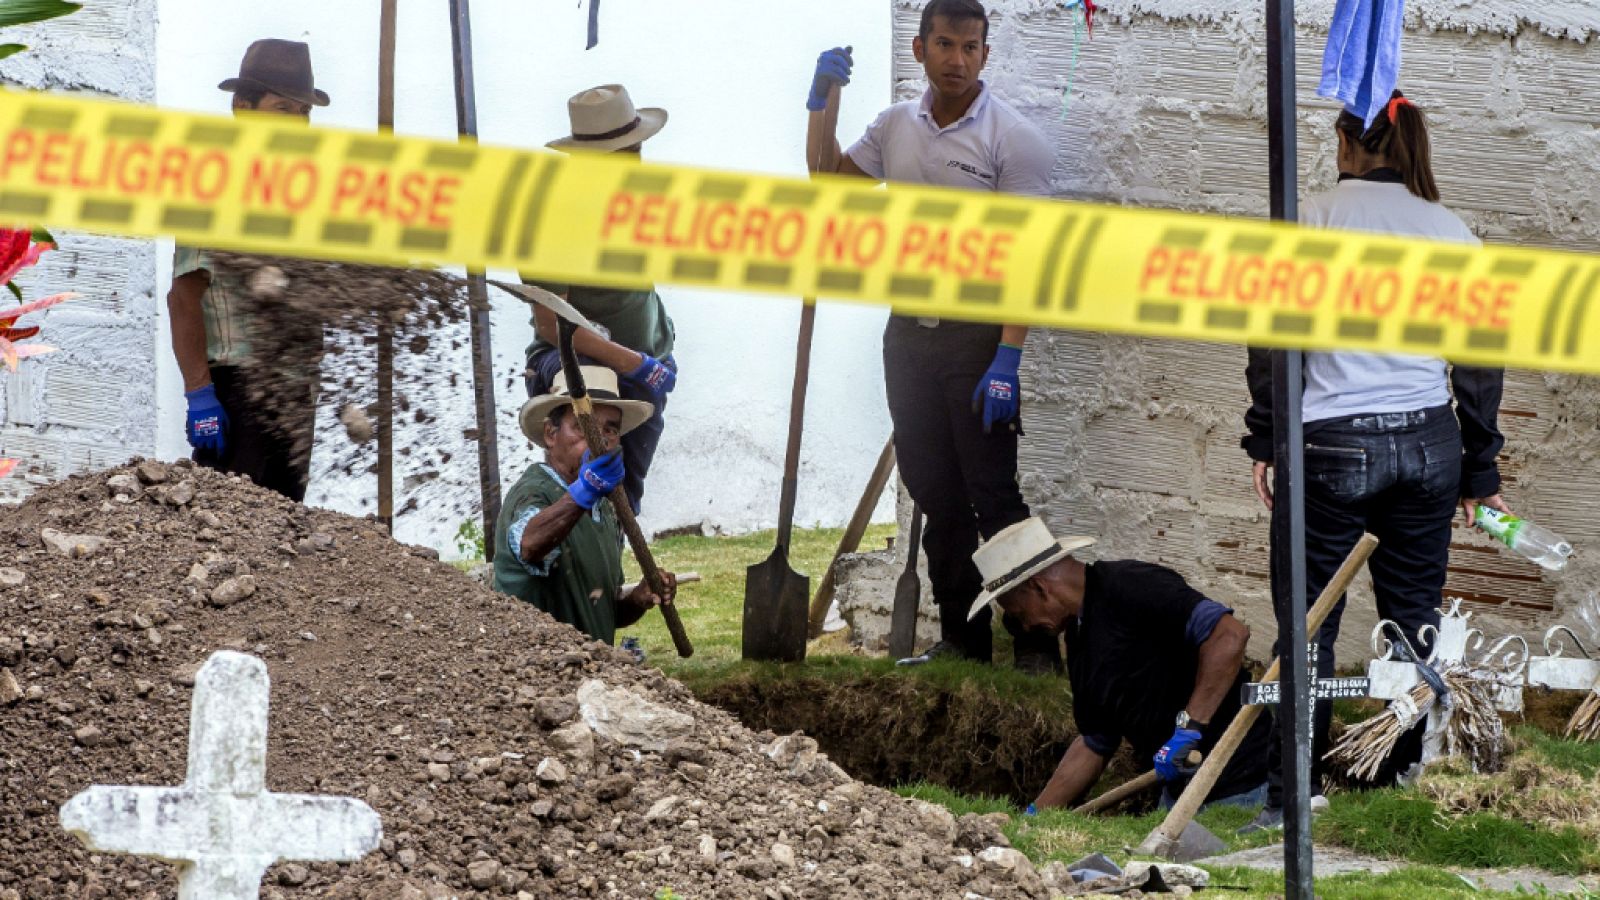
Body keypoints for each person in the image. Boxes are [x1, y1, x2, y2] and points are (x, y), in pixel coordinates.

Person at [1239, 90, 1509, 833]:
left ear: (1346, 144)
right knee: (1412, 621)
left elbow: (1272, 343)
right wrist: (1478, 470)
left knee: (1310, 627)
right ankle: (1398, 784)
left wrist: (1266, 436)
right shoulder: (1452, 232)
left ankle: (1288, 801)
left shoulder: (1310, 221)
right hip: (1429, 440)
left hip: (1332, 441)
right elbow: (1481, 363)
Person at [807, 0, 1063, 672]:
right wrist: (822, 101)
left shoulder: (1012, 140)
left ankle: (1037, 645)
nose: (957, 60)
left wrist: (1009, 354)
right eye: (944, 45)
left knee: (995, 497)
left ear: (986, 53)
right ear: (919, 50)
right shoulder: (895, 127)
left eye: (970, 47)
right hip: (909, 340)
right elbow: (827, 183)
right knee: (934, 494)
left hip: (978, 341)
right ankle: (962, 642)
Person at [967, 518, 1272, 810]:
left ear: (1039, 588)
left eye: (1020, 614)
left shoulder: (1132, 585)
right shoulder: (1078, 636)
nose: (1027, 626)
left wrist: (1189, 727)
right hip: (1180, 794)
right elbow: (1096, 741)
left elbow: (1230, 635)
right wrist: (1037, 813)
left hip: (1242, 784)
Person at [167, 39, 329, 502]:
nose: (296, 123)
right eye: (283, 108)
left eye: (304, 112)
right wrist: (200, 395)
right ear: (242, 105)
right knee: (236, 524)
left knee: (284, 526)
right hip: (239, 386)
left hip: (295, 385)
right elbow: (183, 298)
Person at [521, 85, 677, 514]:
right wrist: (631, 362)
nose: (636, 159)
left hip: (647, 363)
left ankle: (608, 575)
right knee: (586, 480)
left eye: (635, 147)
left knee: (626, 495)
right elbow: (552, 325)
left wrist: (653, 358)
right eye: (625, 152)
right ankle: (554, 569)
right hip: (576, 361)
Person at [493, 366, 678, 645]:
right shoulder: (534, 492)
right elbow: (528, 546)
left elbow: (601, 611)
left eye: (610, 430)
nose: (599, 439)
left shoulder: (605, 510)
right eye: (583, 426)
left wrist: (638, 599)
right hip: (534, 675)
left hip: (587, 676)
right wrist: (584, 492)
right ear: (550, 434)